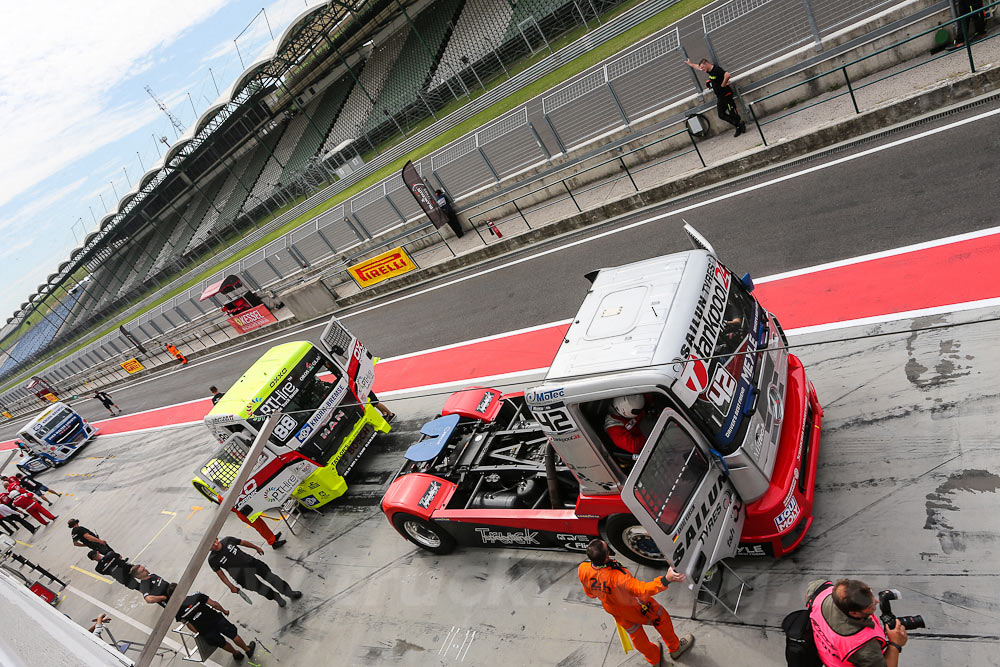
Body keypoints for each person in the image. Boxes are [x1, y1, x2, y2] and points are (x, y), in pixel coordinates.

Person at [578, 539, 694, 665]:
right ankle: (675, 648)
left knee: (636, 635)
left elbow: (590, 594)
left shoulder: (583, 569)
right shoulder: (619, 578)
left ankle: (654, 659)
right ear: (606, 557)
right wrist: (666, 580)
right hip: (637, 607)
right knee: (662, 618)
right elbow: (642, 589)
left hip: (616, 611)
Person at [808, 578, 908, 667]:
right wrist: (895, 643)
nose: (877, 601)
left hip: (826, 657)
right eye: (870, 607)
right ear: (854, 613)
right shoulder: (864, 645)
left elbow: (808, 596)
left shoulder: (821, 590)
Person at [208, 536, 302, 607]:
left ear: (216, 538)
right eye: (211, 545)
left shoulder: (227, 540)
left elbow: (242, 542)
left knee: (272, 578)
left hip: (252, 563)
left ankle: (290, 593)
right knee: (262, 589)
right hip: (242, 576)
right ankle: (276, 597)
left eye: (214, 542)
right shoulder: (212, 559)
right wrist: (231, 586)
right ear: (208, 549)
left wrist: (256, 547)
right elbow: (221, 575)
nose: (215, 545)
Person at [175, 592, 256, 662]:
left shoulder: (178, 613)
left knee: (222, 643)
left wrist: (198, 633)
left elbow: (188, 624)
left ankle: (236, 654)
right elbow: (214, 604)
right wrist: (224, 611)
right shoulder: (197, 596)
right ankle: (247, 650)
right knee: (233, 635)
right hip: (216, 619)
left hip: (206, 631)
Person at [684, 58, 746, 137]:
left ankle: (739, 126)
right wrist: (690, 64)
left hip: (726, 94)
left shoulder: (716, 69)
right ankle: (739, 124)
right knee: (721, 114)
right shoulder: (708, 70)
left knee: (732, 112)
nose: (702, 69)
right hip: (720, 96)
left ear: (706, 63)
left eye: (703, 67)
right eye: (701, 68)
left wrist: (723, 84)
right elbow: (698, 67)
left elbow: (727, 75)